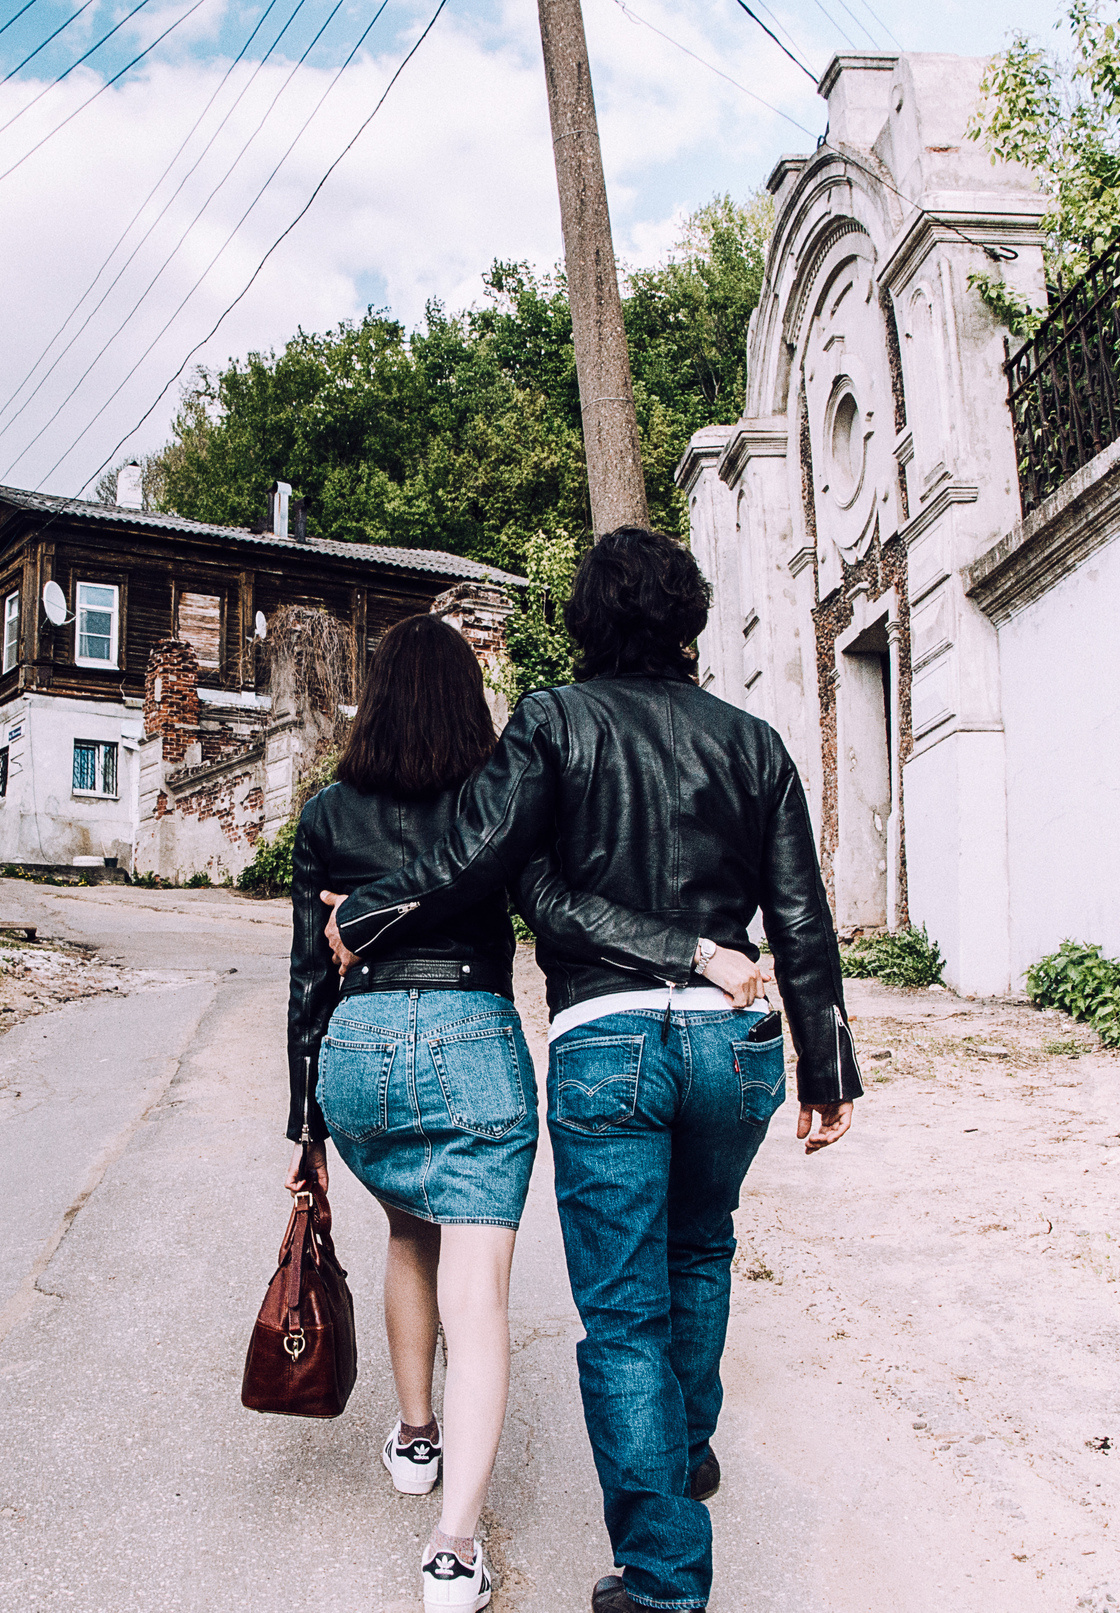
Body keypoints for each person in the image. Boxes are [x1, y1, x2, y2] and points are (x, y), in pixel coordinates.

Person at [321, 527, 862, 1613]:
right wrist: (825, 1066)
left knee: (621, 1311)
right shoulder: (754, 743)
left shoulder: (555, 722)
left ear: (582, 622)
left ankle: (663, 1579)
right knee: (701, 1249)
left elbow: (489, 856)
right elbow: (798, 911)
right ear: (690, 619)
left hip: (605, 1041)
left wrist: (375, 906)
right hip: (728, 1041)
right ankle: (682, 1452)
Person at [286, 612, 657, 1612]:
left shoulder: (325, 812)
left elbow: (300, 976)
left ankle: (415, 1435)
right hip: (468, 1043)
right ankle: (452, 1550)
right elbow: (556, 903)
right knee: (478, 1297)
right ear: (468, 701)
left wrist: (305, 1130)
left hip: (357, 1053)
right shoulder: (492, 806)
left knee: (408, 1224)